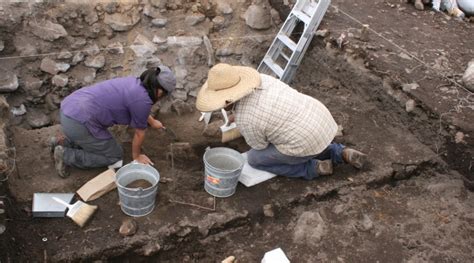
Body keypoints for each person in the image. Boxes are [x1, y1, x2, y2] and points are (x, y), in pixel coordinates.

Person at [196, 63, 367, 180]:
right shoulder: (262, 79)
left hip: (304, 141)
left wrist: (241, 123)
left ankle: (312, 169)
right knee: (302, 136)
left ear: (227, 100)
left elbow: (261, 146)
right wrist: (240, 116)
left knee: (255, 159)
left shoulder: (246, 120)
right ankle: (341, 152)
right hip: (322, 120)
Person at [50, 65, 176, 178]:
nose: (162, 97)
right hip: (80, 122)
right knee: (114, 156)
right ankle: (66, 155)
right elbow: (139, 133)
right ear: (159, 90)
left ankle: (62, 142)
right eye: (164, 94)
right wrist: (137, 157)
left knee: (97, 141)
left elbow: (137, 107)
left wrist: (152, 121)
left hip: (70, 108)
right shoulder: (142, 101)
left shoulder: (134, 83)